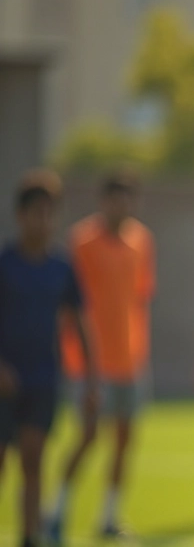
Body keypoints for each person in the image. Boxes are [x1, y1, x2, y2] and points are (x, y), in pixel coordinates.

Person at [48, 171, 156, 541]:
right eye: (115, 198)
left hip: (130, 358)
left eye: (128, 198)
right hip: (89, 362)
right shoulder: (82, 241)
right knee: (88, 435)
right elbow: (69, 305)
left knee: (125, 439)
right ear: (103, 201)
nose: (122, 206)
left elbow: (140, 297)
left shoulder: (142, 240)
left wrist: (140, 349)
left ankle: (109, 516)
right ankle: (56, 507)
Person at [0, 171, 98, 547]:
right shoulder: (5, 263)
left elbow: (81, 324)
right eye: (35, 213)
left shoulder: (62, 267)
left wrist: (91, 380)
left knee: (33, 460)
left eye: (49, 213)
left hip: (43, 378)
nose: (43, 221)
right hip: (5, 380)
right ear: (20, 215)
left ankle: (30, 536)